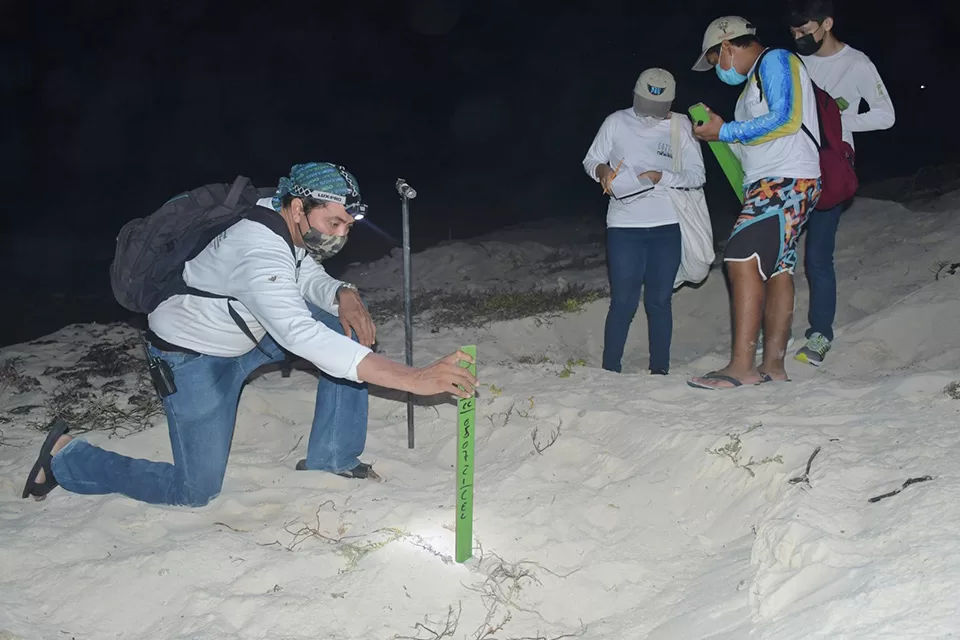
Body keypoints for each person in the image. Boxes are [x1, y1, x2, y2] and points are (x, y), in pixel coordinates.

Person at [22, 162, 477, 507]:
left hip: (249, 335)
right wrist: (415, 380)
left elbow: (303, 275)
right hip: (193, 358)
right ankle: (66, 457)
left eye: (347, 226)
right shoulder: (257, 249)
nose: (341, 234)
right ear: (299, 207)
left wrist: (342, 292)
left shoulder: (274, 211)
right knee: (194, 490)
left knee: (341, 327)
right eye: (333, 223)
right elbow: (300, 333)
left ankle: (333, 459)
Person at [688, 16, 822, 389]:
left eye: (716, 60)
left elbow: (787, 118)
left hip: (785, 180)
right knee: (777, 269)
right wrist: (720, 135)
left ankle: (741, 366)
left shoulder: (776, 60)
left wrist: (727, 129)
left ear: (728, 45)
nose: (718, 70)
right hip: (781, 180)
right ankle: (773, 366)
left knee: (741, 257)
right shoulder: (751, 85)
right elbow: (757, 140)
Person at [788, 0, 896, 366]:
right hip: (793, 163)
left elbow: (886, 116)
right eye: (794, 34)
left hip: (831, 165)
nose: (800, 39)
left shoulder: (857, 63)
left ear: (827, 23)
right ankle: (773, 336)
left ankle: (820, 335)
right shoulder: (796, 62)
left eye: (805, 32)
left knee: (818, 256)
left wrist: (839, 122)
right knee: (778, 254)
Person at [583, 68, 707, 375]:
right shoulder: (615, 121)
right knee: (623, 301)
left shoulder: (681, 127)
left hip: (668, 223)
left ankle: (659, 371)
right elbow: (591, 159)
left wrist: (660, 177)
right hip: (624, 225)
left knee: (659, 301)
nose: (649, 115)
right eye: (644, 106)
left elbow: (697, 176)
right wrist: (603, 172)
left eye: (658, 109)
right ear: (635, 95)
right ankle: (610, 370)